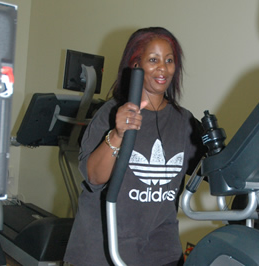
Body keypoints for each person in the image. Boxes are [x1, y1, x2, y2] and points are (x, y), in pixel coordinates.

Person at [64, 27, 206, 266]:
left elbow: (213, 171)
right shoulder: (111, 113)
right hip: (105, 249)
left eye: (169, 60)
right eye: (153, 60)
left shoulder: (184, 121)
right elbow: (94, 176)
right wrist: (118, 134)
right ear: (135, 64)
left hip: (161, 250)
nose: (163, 68)